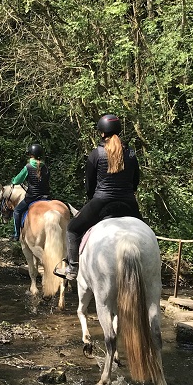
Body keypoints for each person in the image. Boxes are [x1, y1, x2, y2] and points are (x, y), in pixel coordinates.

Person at [55, 113, 142, 282]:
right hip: (129, 203)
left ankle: (72, 268)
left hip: (102, 201)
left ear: (102, 133)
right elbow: (136, 180)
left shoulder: (96, 154)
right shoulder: (131, 154)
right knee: (148, 234)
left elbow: (90, 184)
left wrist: (91, 198)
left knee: (72, 229)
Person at [10, 143, 51, 240]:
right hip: (46, 197)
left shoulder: (28, 167)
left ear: (31, 155)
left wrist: (13, 180)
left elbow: (17, 181)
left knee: (17, 211)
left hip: (32, 197)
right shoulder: (45, 167)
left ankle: (16, 235)